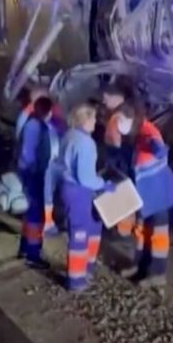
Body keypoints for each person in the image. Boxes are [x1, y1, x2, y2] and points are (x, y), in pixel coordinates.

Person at [114, 103, 173, 292]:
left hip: (158, 196)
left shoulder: (150, 134)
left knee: (157, 236)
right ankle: (141, 267)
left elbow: (159, 150)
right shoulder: (138, 135)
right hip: (146, 196)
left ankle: (157, 274)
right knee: (143, 233)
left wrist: (157, 147)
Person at [57, 103, 115, 291]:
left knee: (91, 228)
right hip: (79, 192)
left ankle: (85, 270)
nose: (95, 121)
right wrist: (103, 184)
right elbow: (85, 177)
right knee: (81, 234)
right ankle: (76, 279)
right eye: (93, 118)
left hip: (69, 189)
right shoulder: (86, 143)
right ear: (84, 119)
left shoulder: (69, 135)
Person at [15, 96, 61, 269]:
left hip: (32, 174)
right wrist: (32, 171)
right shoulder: (36, 126)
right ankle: (32, 255)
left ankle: (25, 248)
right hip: (33, 175)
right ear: (48, 111)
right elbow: (28, 154)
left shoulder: (33, 123)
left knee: (30, 214)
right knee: (35, 216)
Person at [100, 83, 137, 237]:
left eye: (105, 99)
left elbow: (117, 140)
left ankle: (123, 230)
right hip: (121, 157)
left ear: (116, 97)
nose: (103, 102)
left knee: (121, 189)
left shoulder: (120, 116)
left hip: (119, 159)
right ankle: (123, 228)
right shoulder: (125, 111)